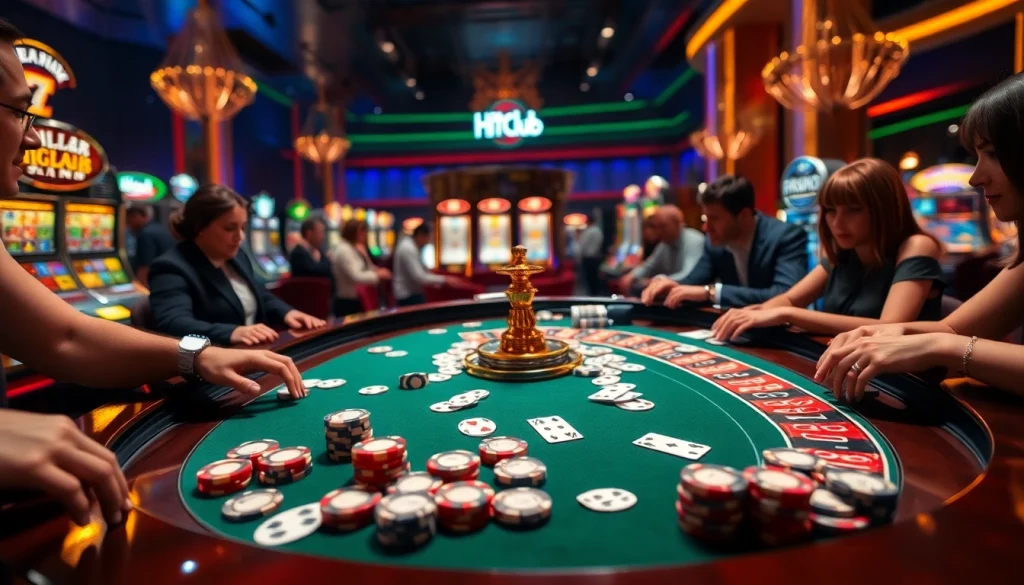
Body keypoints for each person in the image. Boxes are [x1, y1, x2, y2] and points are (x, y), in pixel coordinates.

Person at [0, 18, 305, 530]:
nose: (33, 137)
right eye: (19, 110)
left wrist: (198, 356)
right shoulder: (172, 265)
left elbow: (67, 336)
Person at [817, 72, 1024, 403]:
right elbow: (954, 329)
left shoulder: (917, 245)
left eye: (994, 154)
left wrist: (939, 346)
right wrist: (874, 333)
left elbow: (949, 339)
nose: (974, 177)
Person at [710, 159, 944, 342]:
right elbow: (791, 298)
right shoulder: (841, 252)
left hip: (907, 383)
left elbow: (890, 327)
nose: (837, 223)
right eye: (831, 210)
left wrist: (788, 315)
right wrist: (753, 313)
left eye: (853, 210)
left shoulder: (917, 245)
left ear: (885, 210)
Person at [149, 184, 327, 346]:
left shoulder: (237, 257)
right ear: (199, 227)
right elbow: (174, 323)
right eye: (230, 228)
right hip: (211, 367)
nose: (240, 237)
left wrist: (287, 313)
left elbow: (260, 294)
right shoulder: (171, 267)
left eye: (243, 227)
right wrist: (232, 332)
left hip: (254, 354)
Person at [641, 175, 808, 309]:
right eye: (705, 218)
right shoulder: (715, 242)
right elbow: (694, 282)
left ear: (744, 215)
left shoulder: (786, 237)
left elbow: (784, 295)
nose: (706, 228)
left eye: (714, 219)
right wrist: (669, 284)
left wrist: (711, 293)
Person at [619, 205, 705, 296]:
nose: (659, 231)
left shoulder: (694, 240)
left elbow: (689, 275)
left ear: (677, 223)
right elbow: (650, 266)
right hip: (673, 296)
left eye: (663, 226)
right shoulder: (664, 244)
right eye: (657, 227)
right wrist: (632, 276)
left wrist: (658, 280)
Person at [328, 218, 392, 317]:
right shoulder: (344, 250)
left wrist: (377, 270)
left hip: (358, 299)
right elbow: (356, 276)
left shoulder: (354, 247)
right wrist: (378, 275)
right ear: (353, 232)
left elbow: (367, 267)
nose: (365, 235)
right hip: (348, 302)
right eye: (363, 231)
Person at [393, 223, 465, 306]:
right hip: (407, 296)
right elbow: (419, 277)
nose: (428, 242)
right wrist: (444, 280)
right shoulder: (407, 248)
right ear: (421, 235)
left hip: (413, 293)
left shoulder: (413, 246)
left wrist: (442, 279)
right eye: (428, 238)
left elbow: (424, 271)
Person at [125, 203, 175, 287]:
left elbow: (145, 268)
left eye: (129, 220)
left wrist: (141, 290)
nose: (128, 224)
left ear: (136, 216)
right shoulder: (159, 227)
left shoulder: (146, 233)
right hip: (169, 280)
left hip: (156, 283)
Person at [576, 213, 604, 296]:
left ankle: (591, 296)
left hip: (588, 258)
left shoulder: (588, 231)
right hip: (596, 258)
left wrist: (578, 258)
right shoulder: (598, 231)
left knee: (589, 280)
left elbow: (582, 245)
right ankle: (596, 295)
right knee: (595, 278)